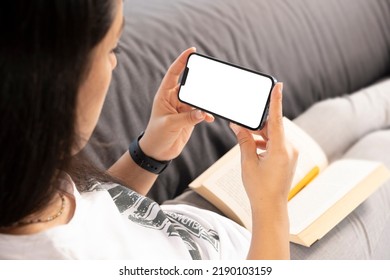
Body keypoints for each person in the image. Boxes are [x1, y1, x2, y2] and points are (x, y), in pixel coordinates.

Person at [0, 0, 298, 259]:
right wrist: (271, 206)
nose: (115, 64)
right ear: (56, 87)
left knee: (338, 114)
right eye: (111, 49)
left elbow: (98, 220)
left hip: (188, 229)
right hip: (267, 248)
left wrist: (150, 152)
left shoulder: (23, 181)